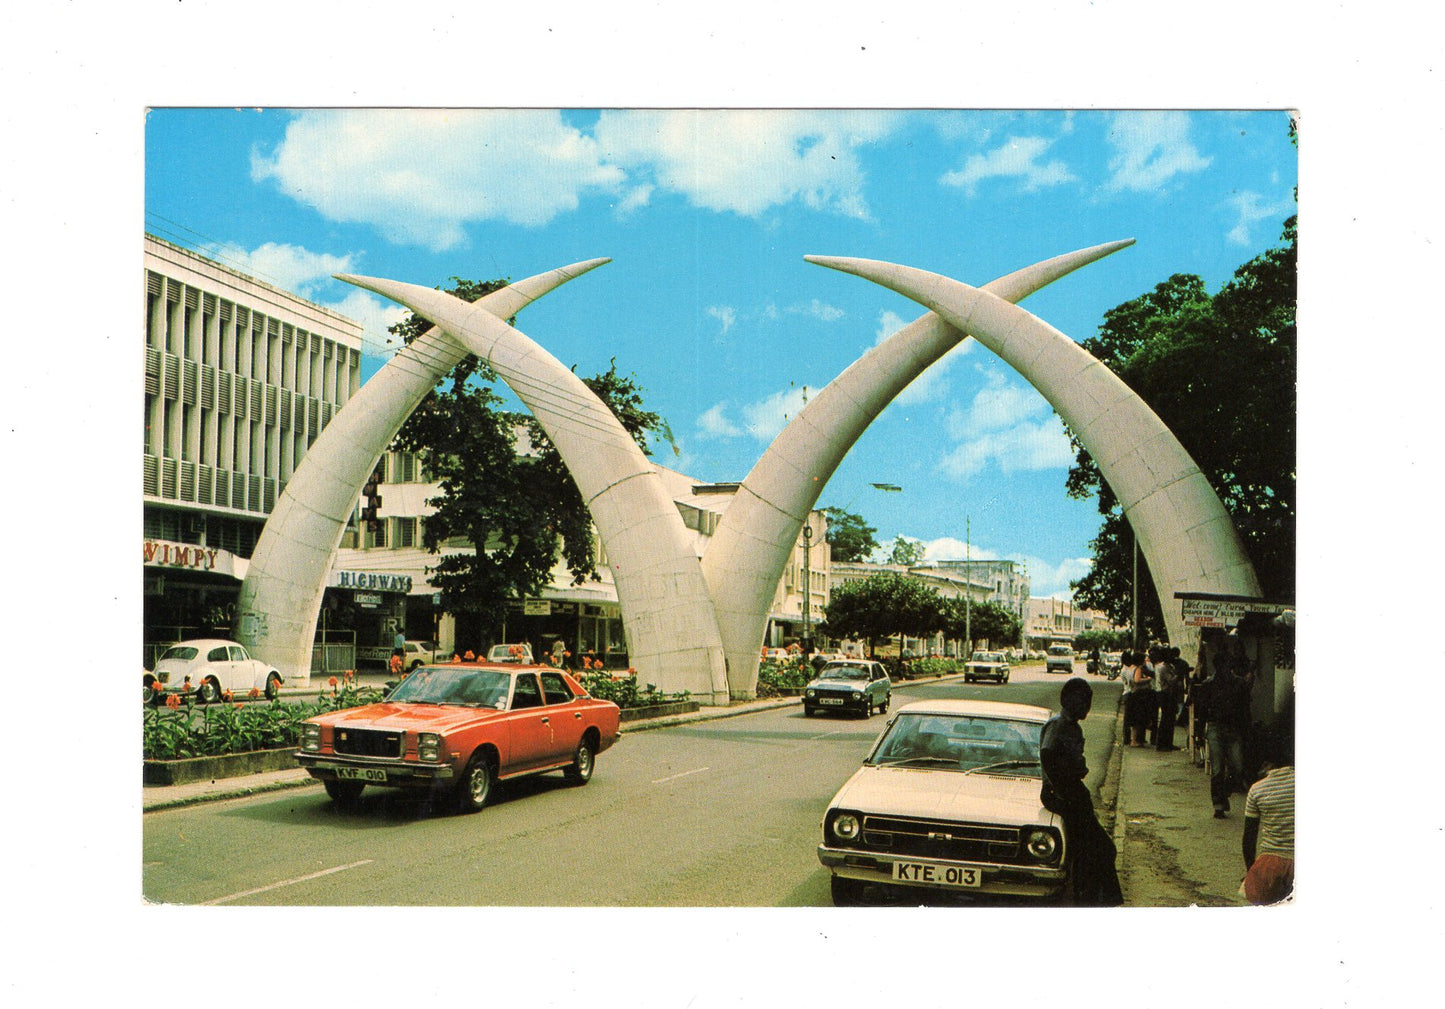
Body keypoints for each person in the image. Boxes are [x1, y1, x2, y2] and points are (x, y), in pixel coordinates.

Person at [1040, 677, 1123, 906]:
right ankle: (1093, 900)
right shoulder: (1059, 726)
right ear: (1072, 703)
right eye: (1085, 702)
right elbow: (1048, 755)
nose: (1088, 707)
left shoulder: (1070, 726)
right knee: (1099, 849)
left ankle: (1093, 898)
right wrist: (1062, 788)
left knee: (1093, 851)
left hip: (1073, 794)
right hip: (1065, 796)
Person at [1196, 652, 1253, 817]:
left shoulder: (1239, 684)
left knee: (1237, 767)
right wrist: (1201, 732)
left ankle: (1223, 793)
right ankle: (1218, 805)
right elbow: (1203, 710)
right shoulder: (1209, 685)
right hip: (1216, 728)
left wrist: (1246, 730)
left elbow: (1245, 710)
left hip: (1233, 729)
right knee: (1218, 768)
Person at [1241, 747, 1295, 905]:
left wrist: (1250, 872)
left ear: (1266, 764)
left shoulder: (1257, 789)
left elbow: (1249, 839)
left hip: (1271, 865)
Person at [1154, 647, 1182, 751]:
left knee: (1170, 719)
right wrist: (1178, 675)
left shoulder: (1169, 666)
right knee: (1166, 719)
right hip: (1165, 694)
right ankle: (1162, 743)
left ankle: (1169, 742)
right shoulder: (1163, 668)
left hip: (1170, 694)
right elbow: (1171, 681)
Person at [1126, 650, 1154, 746]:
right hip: (1138, 695)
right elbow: (1137, 680)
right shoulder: (1138, 669)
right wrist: (1148, 679)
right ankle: (1135, 740)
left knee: (1133, 719)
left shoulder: (1130, 668)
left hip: (1132, 693)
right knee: (1138, 718)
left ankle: (1133, 739)